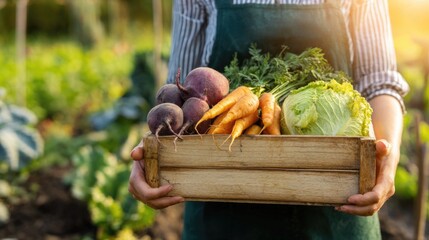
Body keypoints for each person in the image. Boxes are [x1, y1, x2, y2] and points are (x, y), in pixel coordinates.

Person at [129, 0, 409, 239]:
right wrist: (153, 155)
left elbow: (380, 82)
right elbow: (180, 91)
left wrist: (388, 157)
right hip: (221, 198)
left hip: (338, 203)